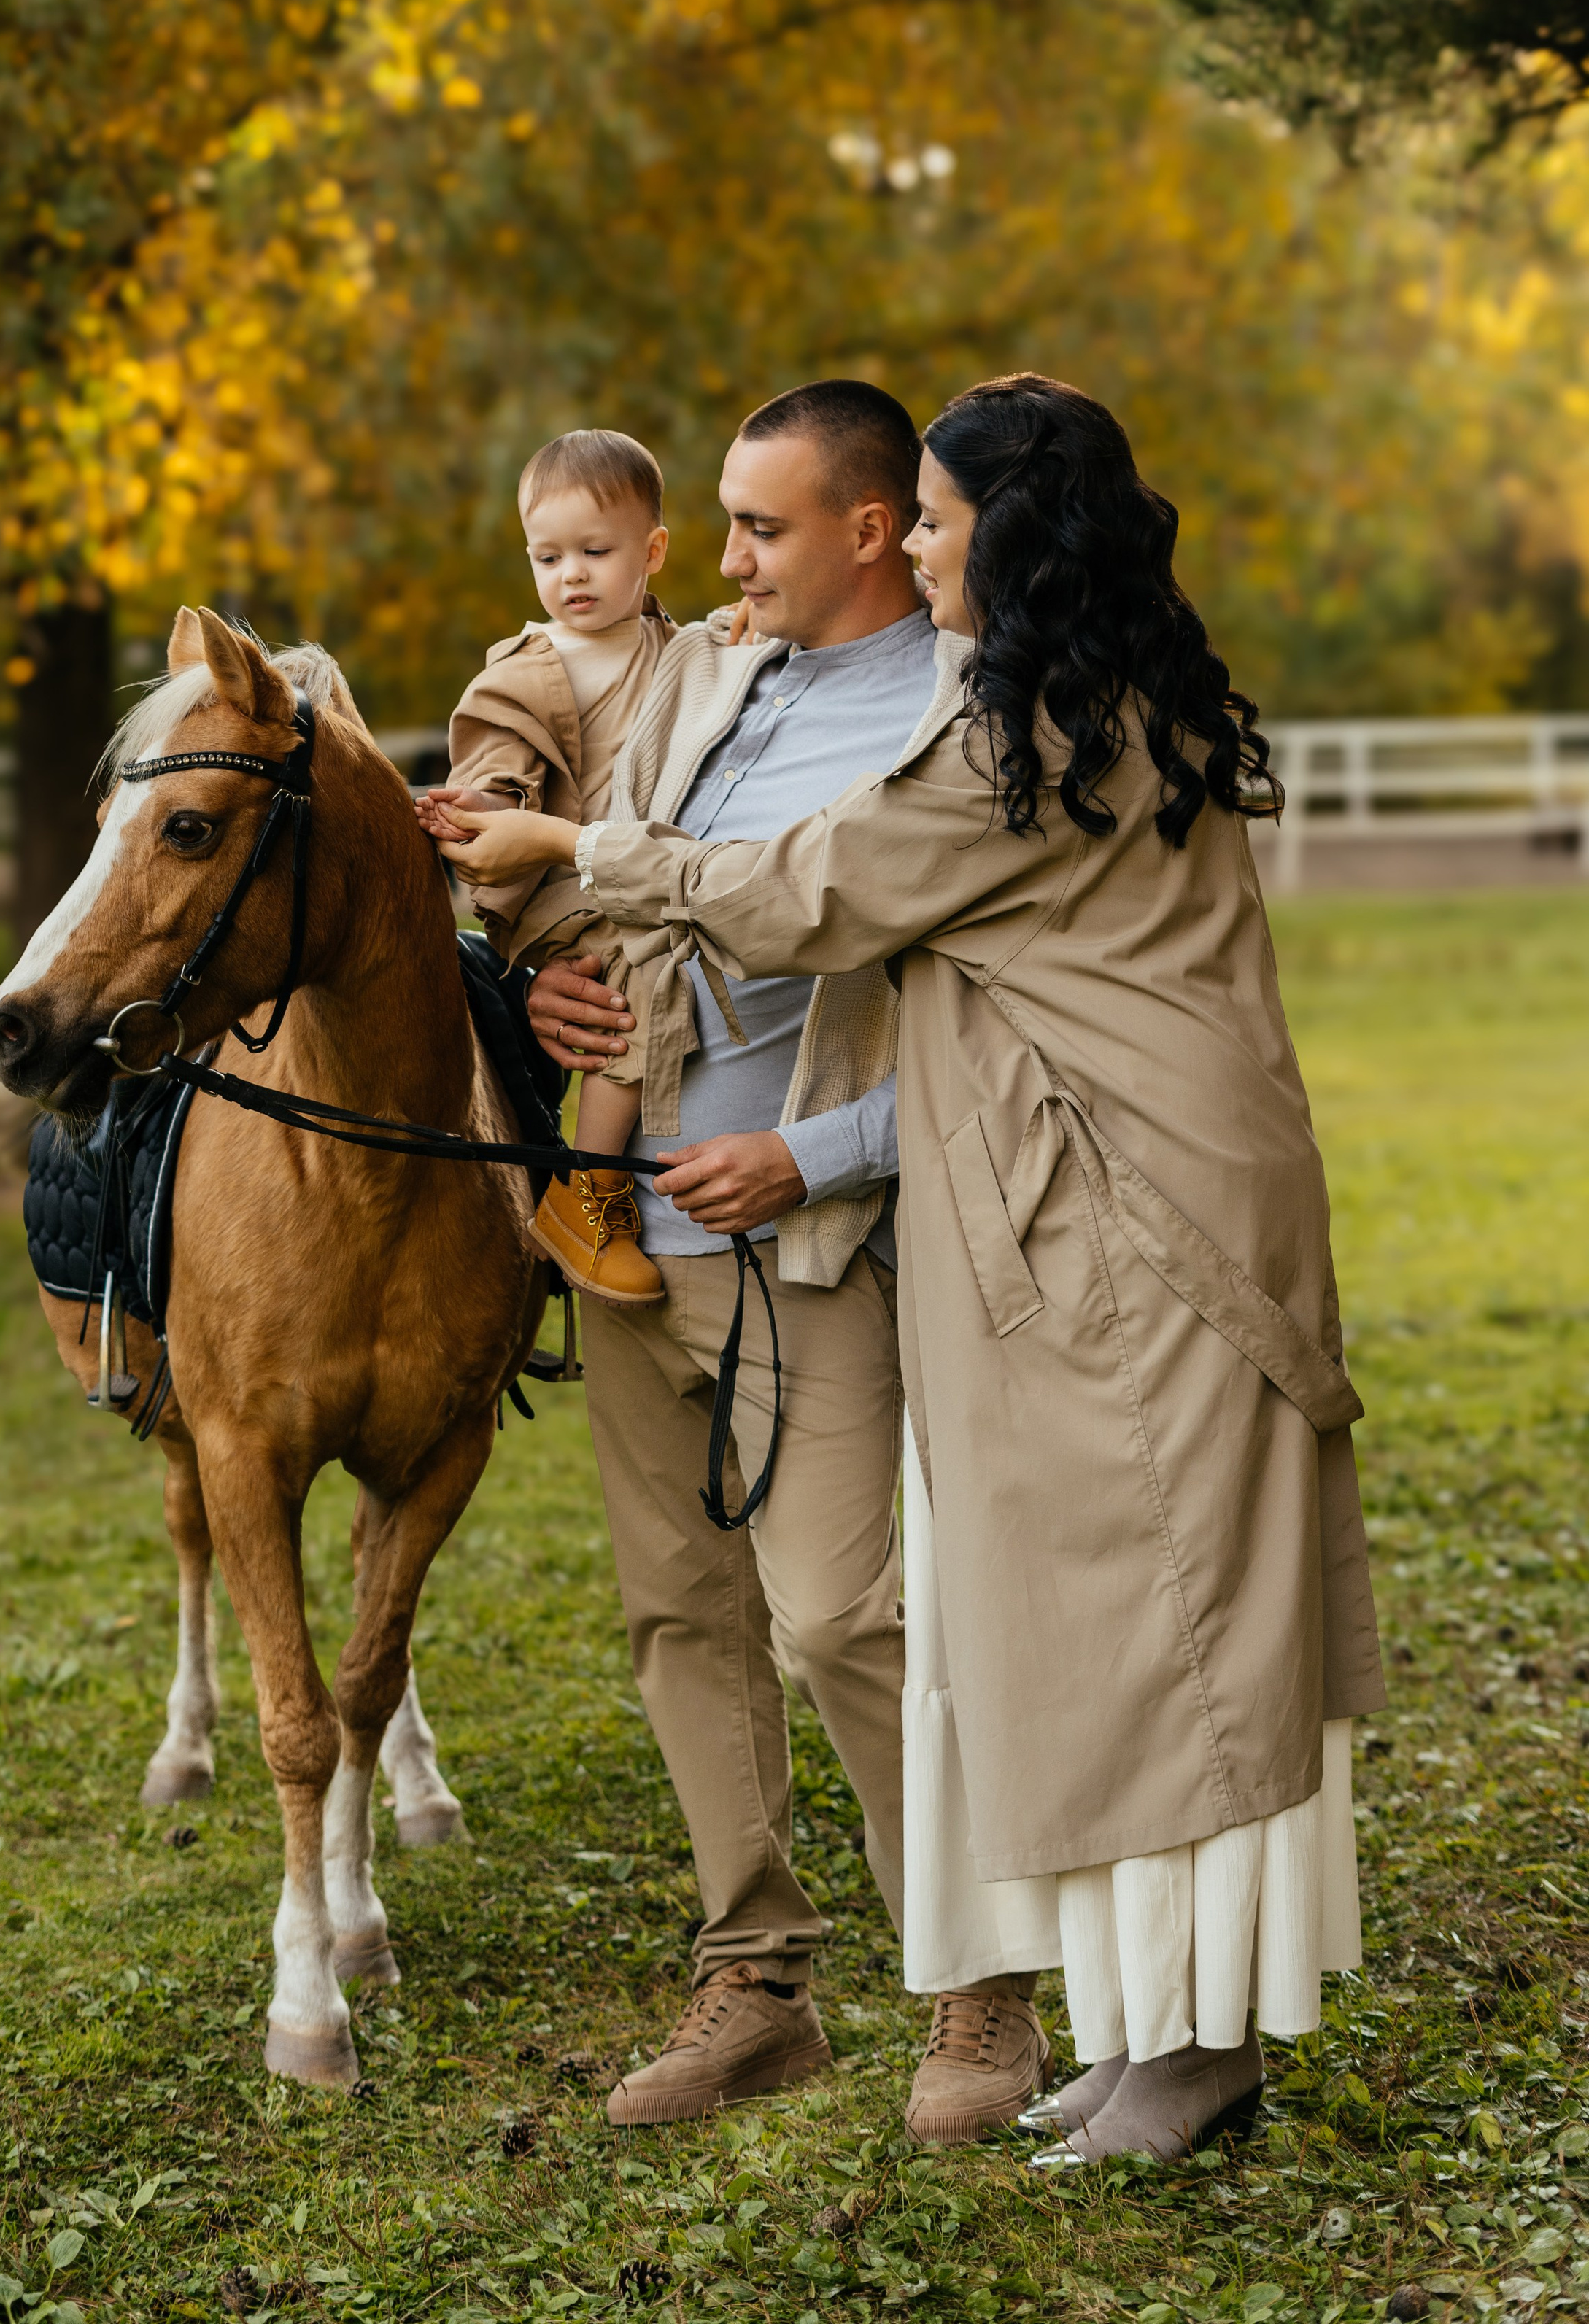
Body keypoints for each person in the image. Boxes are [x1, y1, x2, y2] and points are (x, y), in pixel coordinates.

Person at [439, 371, 1387, 2165]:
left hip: (1135, 1221)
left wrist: (572, 847)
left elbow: (808, 889)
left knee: (1164, 1624)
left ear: (987, 536)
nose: (918, 546)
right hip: (1075, 1207)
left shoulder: (1017, 733)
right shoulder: (1062, 704)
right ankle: (1140, 2030)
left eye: (937, 520)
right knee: (1105, 1629)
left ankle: (1179, 2047)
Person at [500, 379, 1051, 2140]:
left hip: (804, 1239)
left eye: (757, 526)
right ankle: (756, 1977)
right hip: (628, 1228)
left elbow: (998, 1043)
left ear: (869, 528)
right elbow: (611, 886)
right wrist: (546, 989)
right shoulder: (715, 675)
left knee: (835, 1613)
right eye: (723, 524)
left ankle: (975, 1982)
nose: (723, 561)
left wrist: (804, 1151)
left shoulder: (967, 715)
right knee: (681, 1612)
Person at [417, 427, 679, 1304]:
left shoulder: (680, 651)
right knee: (639, 981)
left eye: (595, 553)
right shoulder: (526, 675)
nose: (570, 575)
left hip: (634, 872)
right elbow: (497, 770)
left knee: (663, 941)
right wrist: (488, 808)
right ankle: (588, 1183)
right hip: (561, 892)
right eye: (547, 555)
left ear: (652, 552)